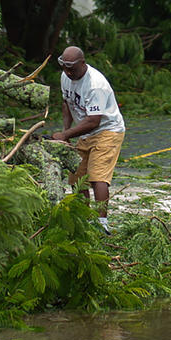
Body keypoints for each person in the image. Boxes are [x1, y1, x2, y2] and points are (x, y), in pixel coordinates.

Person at [51, 46, 126, 235]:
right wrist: (65, 132)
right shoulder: (65, 77)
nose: (68, 72)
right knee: (77, 176)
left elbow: (94, 121)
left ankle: (102, 224)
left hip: (107, 130)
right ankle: (84, 219)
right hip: (84, 132)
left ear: (82, 63)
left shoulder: (95, 84)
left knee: (97, 176)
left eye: (72, 68)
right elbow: (66, 103)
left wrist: (66, 136)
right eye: (64, 67)